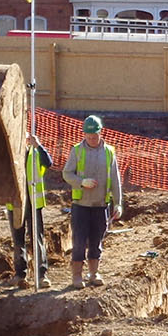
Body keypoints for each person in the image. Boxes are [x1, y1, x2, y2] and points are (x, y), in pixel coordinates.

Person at [61, 114, 123, 289]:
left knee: (97, 241)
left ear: (100, 132)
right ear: (84, 134)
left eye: (94, 136)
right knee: (79, 242)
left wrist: (118, 203)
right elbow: (67, 173)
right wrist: (81, 182)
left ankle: (94, 273)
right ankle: (77, 276)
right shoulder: (77, 151)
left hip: (100, 205)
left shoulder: (109, 152)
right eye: (88, 137)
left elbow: (115, 179)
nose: (92, 140)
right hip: (81, 205)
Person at [10, 135, 53, 288]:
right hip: (15, 202)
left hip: (34, 202)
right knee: (18, 239)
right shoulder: (10, 153)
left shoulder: (35, 153)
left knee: (37, 238)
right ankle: (20, 274)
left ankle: (41, 274)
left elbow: (48, 162)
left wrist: (38, 145)